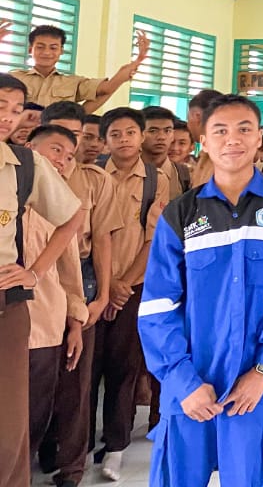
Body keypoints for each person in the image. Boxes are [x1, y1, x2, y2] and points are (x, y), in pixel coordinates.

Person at [138, 94, 263, 487]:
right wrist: (182, 381)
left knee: (249, 478)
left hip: (254, 384)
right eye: (221, 130)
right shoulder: (181, 213)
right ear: (204, 139)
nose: (232, 139)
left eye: (244, 130)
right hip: (189, 381)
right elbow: (157, 307)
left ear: (258, 141)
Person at [0, 74, 84, 487]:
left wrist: (33, 271)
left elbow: (72, 220)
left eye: (16, 109)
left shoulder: (23, 167)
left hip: (11, 308)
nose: (8, 117)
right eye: (1, 105)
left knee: (11, 424)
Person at [35, 110, 122, 487]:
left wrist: (100, 294)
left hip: (76, 283)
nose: (67, 155)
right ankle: (38, 453)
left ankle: (71, 468)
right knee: (34, 386)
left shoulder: (91, 182)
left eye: (75, 145)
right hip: (30, 291)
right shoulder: (19, 178)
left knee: (76, 384)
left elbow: (98, 241)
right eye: (60, 144)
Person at [96, 105, 171, 481]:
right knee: (85, 372)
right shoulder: (92, 174)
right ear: (103, 140)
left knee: (123, 368)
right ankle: (71, 447)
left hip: (133, 287)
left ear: (140, 137)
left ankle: (115, 447)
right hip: (93, 287)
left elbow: (154, 238)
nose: (123, 140)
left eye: (130, 133)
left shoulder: (157, 180)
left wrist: (123, 285)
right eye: (115, 134)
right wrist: (106, 286)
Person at [24, 125, 89, 483]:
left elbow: (69, 272)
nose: (63, 160)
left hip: (46, 325)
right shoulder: (9, 194)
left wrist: (75, 322)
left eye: (69, 155)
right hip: (10, 321)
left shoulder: (61, 205)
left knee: (34, 413)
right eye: (56, 150)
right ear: (29, 149)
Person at [0, 22, 150, 113]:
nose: (46, 52)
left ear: (61, 51)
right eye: (40, 47)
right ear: (30, 50)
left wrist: (138, 60)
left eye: (53, 48)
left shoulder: (73, 82)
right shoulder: (14, 79)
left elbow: (106, 89)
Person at [142, 106, 190, 198]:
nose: (161, 137)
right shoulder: (125, 171)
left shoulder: (185, 175)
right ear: (140, 134)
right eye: (153, 131)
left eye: (167, 131)